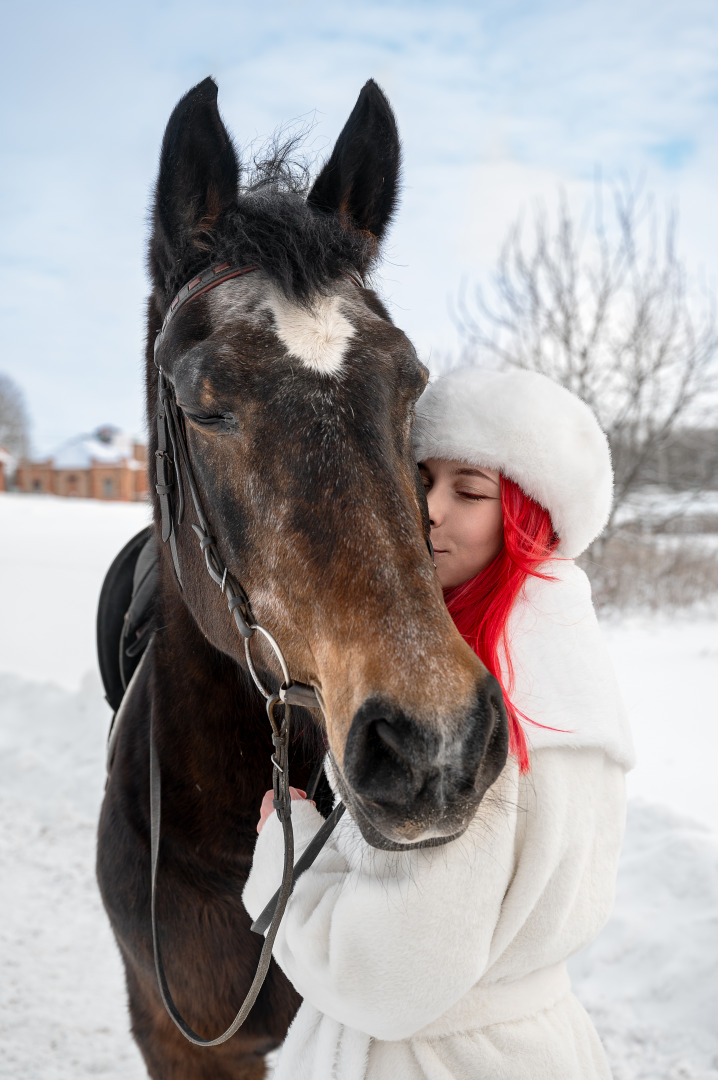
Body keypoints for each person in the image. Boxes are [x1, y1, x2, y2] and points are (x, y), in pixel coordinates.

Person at [243, 367, 634, 1080]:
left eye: (470, 491)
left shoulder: (476, 702)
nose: (429, 509)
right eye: (422, 480)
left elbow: (387, 978)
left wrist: (283, 851)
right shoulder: (564, 661)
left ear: (528, 517)